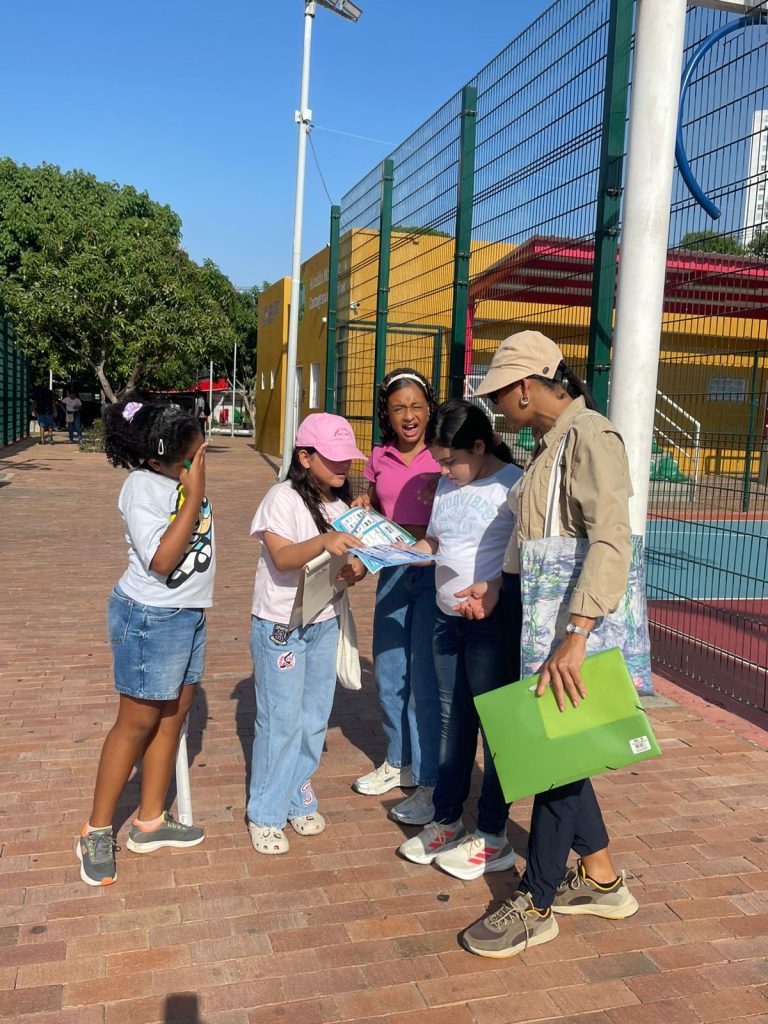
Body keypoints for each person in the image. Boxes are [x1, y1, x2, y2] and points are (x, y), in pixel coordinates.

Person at [456, 330, 638, 957]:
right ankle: (602, 879)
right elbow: (534, 536)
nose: (496, 406)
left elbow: (612, 538)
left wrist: (578, 633)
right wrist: (496, 587)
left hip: (567, 629)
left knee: (556, 756)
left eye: (499, 394)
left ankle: (536, 901)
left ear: (528, 387)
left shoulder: (591, 437)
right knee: (562, 747)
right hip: (541, 623)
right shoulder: (551, 444)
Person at [75, 396, 214, 886]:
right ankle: (96, 830)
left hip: (188, 615)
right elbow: (161, 560)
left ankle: (150, 820)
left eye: (202, 453)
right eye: (193, 458)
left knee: (173, 715)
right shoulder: (141, 487)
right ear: (158, 461)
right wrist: (193, 496)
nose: (200, 462)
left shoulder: (177, 476)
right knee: (135, 722)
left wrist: (190, 486)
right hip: (151, 618)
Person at [397, 399, 523, 880]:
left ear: (480, 445)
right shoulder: (449, 486)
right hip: (447, 619)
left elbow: (522, 560)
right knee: (453, 721)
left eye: (451, 460)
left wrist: (495, 590)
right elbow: (435, 542)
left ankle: (493, 835)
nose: (445, 471)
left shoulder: (512, 486)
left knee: (496, 727)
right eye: (439, 462)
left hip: (490, 624)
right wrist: (402, 551)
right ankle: (448, 820)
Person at [248, 412, 368, 855]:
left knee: (315, 716)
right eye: (333, 458)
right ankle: (266, 812)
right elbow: (281, 557)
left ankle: (298, 792)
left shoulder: (341, 505)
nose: (343, 466)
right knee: (280, 720)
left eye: (347, 458)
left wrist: (357, 568)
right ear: (305, 457)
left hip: (324, 621)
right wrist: (324, 541)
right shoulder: (281, 498)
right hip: (281, 625)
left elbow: (349, 564)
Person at [351, 368, 442, 827]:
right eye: (398, 408)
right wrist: (364, 505)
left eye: (416, 406)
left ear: (429, 409)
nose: (409, 416)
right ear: (386, 413)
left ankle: (427, 779)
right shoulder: (379, 456)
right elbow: (374, 500)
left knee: (423, 679)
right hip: (390, 572)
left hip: (432, 574)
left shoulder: (443, 453)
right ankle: (397, 760)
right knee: (389, 672)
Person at [32, 380, 57, 445]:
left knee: (42, 425)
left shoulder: (37, 392)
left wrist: (33, 410)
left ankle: (42, 440)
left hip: (41, 411)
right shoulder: (50, 392)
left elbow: (34, 402)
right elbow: (53, 402)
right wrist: (55, 411)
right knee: (50, 425)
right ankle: (50, 438)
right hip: (49, 411)